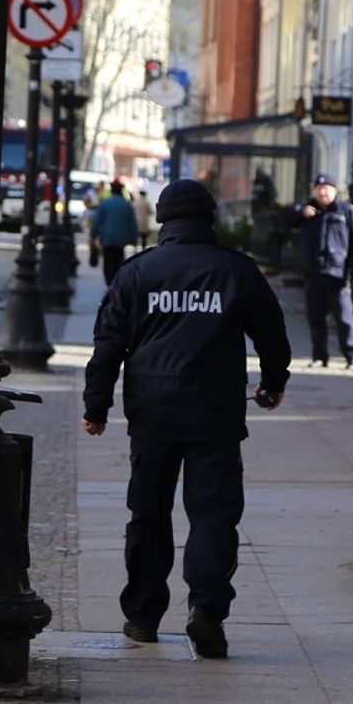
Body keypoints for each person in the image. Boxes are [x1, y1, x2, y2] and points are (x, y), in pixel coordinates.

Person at [82, 178, 291, 659]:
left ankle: (142, 615)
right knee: (214, 514)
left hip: (152, 413)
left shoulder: (137, 273)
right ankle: (208, 609)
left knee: (148, 514)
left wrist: (96, 407)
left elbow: (109, 344)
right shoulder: (236, 270)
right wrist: (272, 383)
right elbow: (272, 334)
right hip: (214, 413)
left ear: (162, 220)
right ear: (210, 218)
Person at [287, 173, 353, 370]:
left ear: (335, 190)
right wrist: (300, 213)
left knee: (344, 317)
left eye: (327, 188)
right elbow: (284, 220)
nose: (322, 191)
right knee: (315, 317)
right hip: (313, 272)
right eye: (319, 188)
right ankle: (319, 356)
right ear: (314, 191)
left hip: (338, 273)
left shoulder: (346, 211)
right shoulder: (308, 210)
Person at [89, 179, 139, 283]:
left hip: (107, 239)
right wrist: (134, 240)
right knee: (119, 261)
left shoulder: (105, 203)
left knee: (107, 262)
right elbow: (132, 224)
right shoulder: (126, 205)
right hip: (121, 240)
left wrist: (93, 235)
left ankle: (109, 283)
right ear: (121, 191)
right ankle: (116, 282)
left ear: (111, 190)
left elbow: (97, 221)